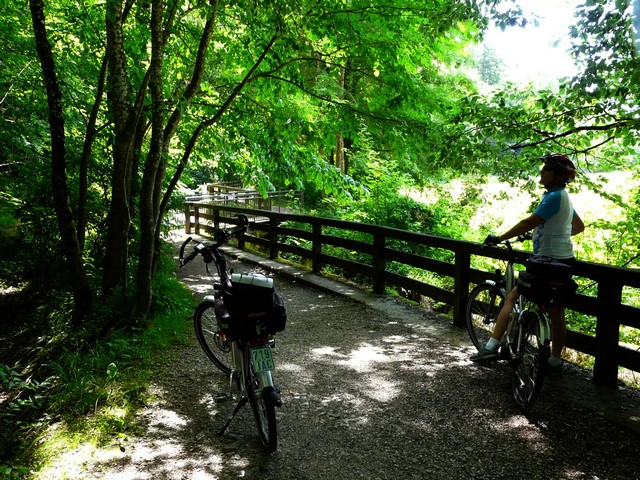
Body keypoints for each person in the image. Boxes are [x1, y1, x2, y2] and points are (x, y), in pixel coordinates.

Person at [470, 153, 585, 375]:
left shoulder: (553, 197)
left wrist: (499, 238)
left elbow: (528, 222)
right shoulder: (564, 198)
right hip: (565, 261)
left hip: (545, 261)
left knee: (512, 297)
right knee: (557, 312)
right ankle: (554, 361)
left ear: (558, 176)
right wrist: (555, 234)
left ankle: (491, 347)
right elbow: (579, 226)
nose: (542, 173)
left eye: (547, 169)